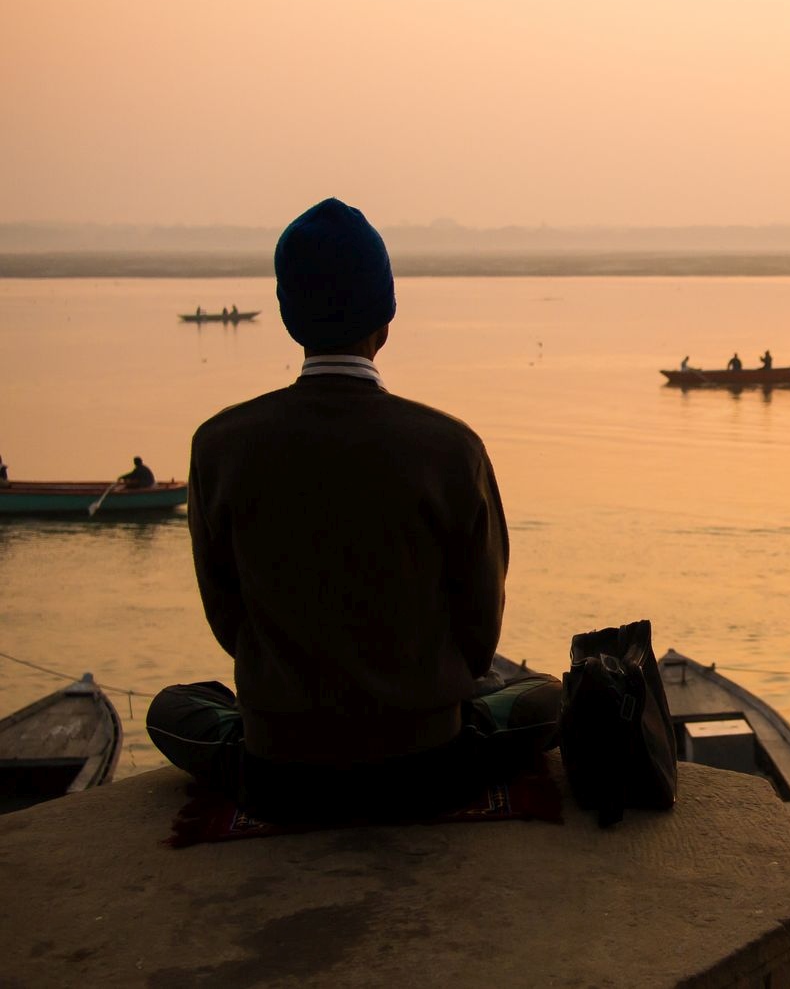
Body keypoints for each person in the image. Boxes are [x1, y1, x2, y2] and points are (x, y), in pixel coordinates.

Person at [146, 197, 559, 823]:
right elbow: (480, 637)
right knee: (550, 697)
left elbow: (227, 620)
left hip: (281, 771)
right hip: (427, 767)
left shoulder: (219, 445)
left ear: (290, 319)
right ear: (385, 320)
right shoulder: (450, 448)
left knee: (174, 708)